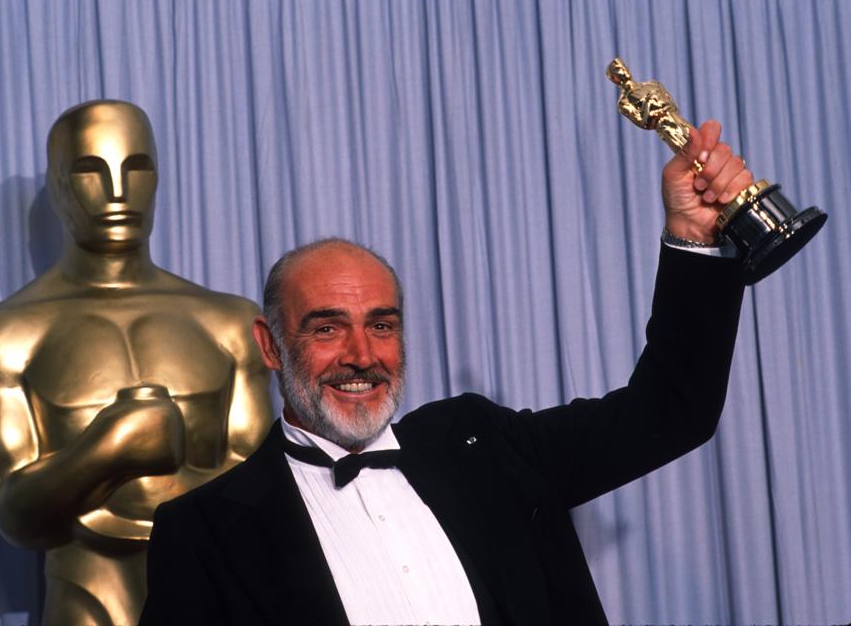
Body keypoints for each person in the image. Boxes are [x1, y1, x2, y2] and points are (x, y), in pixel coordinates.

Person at [139, 119, 751, 624]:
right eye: (326, 328)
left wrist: (693, 240)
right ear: (269, 346)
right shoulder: (202, 532)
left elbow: (672, 412)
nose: (361, 355)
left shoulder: (485, 443)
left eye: (382, 325)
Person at [0, 100, 273, 625]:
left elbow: (268, 487)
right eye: (89, 171)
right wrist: (111, 449)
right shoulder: (4, 336)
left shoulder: (229, 322)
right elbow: (17, 517)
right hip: (88, 598)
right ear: (58, 185)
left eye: (136, 167)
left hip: (220, 596)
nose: (118, 191)